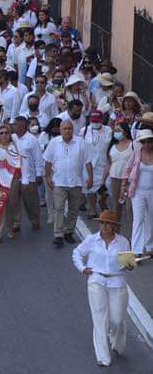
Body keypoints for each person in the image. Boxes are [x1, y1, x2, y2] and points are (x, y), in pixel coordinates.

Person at [72, 210, 134, 367]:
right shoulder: (91, 240)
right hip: (96, 281)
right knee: (100, 319)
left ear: (113, 226)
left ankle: (117, 343)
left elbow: (128, 265)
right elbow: (77, 253)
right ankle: (103, 357)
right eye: (102, 222)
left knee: (117, 319)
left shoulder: (123, 242)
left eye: (107, 223)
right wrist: (82, 268)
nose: (104, 226)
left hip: (117, 282)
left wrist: (130, 265)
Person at [44, 119, 93, 248]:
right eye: (65, 129)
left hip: (76, 182)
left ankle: (69, 232)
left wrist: (91, 178)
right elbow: (47, 161)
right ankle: (58, 235)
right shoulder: (54, 143)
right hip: (59, 181)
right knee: (59, 208)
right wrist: (48, 177)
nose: (67, 131)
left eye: (70, 128)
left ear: (73, 130)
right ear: (60, 130)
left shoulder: (81, 143)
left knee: (73, 209)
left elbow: (88, 162)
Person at [121, 129, 153, 257]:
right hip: (137, 191)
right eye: (143, 142)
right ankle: (136, 250)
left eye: (149, 141)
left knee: (150, 219)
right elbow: (127, 168)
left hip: (152, 191)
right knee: (138, 219)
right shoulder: (137, 153)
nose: (146, 144)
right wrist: (123, 185)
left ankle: (150, 246)